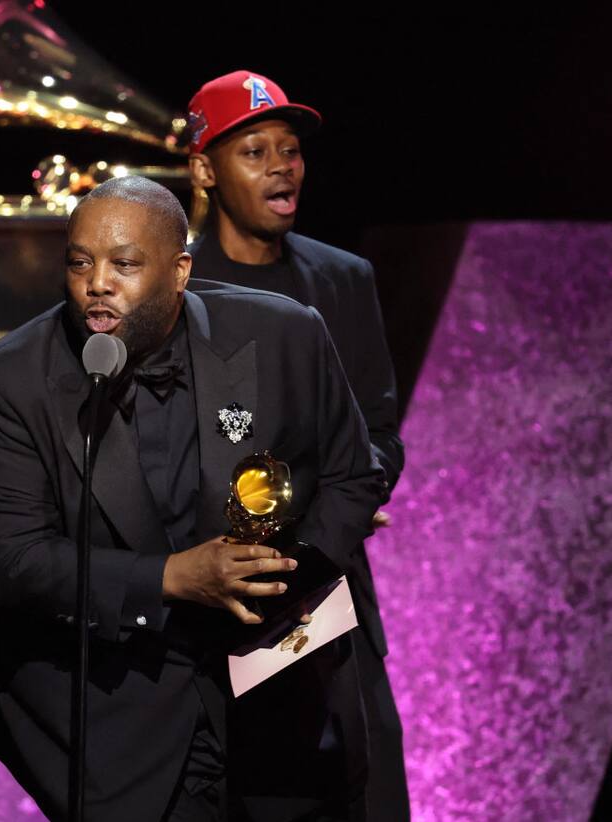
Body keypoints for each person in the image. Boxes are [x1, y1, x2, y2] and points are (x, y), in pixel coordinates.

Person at [0, 175, 384, 821]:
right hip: (116, 718)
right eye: (80, 262)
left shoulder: (285, 333)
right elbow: (10, 558)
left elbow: (354, 475)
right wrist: (172, 578)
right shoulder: (9, 379)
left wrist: (281, 580)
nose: (97, 282)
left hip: (278, 699)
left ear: (180, 270)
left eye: (124, 264)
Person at [185, 70, 409, 820]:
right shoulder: (173, 288)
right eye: (256, 151)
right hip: (211, 599)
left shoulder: (344, 279)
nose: (283, 165)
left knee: (352, 789)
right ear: (206, 170)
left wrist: (350, 495)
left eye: (290, 150)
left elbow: (379, 430)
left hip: (328, 586)